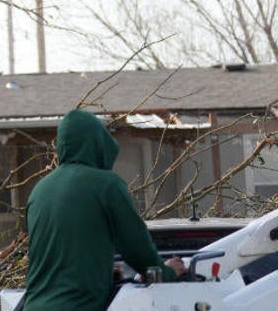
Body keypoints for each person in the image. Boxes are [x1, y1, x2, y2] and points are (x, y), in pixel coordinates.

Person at [20, 109, 187, 310]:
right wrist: (165, 272)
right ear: (98, 145)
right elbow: (135, 247)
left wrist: (102, 271)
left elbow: (59, 253)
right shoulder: (106, 185)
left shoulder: (40, 190)